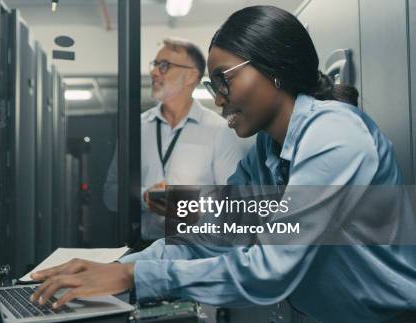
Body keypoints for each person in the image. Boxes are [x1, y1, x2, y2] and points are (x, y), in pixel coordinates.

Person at [30, 6, 416, 323]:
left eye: (223, 80)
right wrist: (111, 267)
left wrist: (131, 274)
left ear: (274, 67)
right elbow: (205, 239)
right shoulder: (262, 157)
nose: (218, 99)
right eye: (213, 86)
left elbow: (272, 269)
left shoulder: (335, 134)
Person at [103, 38, 250, 241]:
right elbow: (110, 194)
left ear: (191, 76)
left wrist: (189, 208)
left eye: (164, 66)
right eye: (154, 65)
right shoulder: (134, 129)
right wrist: (145, 197)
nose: (154, 72)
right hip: (143, 248)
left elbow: (236, 205)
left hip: (198, 252)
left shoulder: (219, 130)